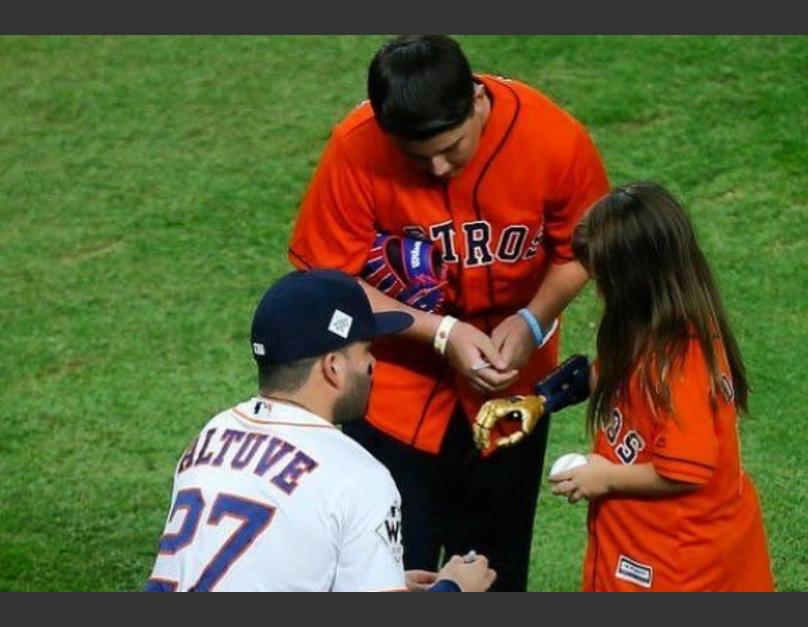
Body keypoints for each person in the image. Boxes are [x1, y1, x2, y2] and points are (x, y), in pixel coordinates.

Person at [287, 35, 609, 590]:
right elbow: (323, 282)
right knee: (383, 579)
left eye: (452, 147)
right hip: (390, 394)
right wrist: (440, 333)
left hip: (512, 396)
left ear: (477, 101)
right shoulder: (356, 148)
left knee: (495, 572)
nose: (437, 167)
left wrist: (533, 319)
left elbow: (585, 246)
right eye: (418, 156)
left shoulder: (552, 138)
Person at [145, 269, 495, 592]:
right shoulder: (359, 476)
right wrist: (454, 588)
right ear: (333, 368)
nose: (373, 363)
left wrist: (379, 579)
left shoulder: (212, 434)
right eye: (365, 350)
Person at [550, 183, 774, 592]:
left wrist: (606, 477)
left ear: (639, 280)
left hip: (679, 560)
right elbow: (629, 381)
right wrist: (574, 385)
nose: (599, 291)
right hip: (643, 542)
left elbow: (686, 470)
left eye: (607, 281)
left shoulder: (679, 364)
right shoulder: (652, 325)